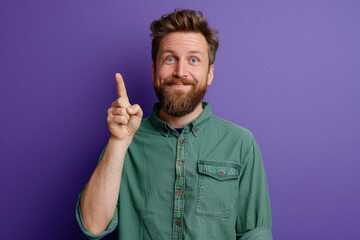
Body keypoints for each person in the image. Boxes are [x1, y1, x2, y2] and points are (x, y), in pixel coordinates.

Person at [76, 9, 273, 240]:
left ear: (209, 73)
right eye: (170, 58)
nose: (180, 72)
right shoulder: (125, 141)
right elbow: (92, 225)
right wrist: (118, 141)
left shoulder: (241, 143)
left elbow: (256, 234)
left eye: (193, 60)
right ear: (154, 70)